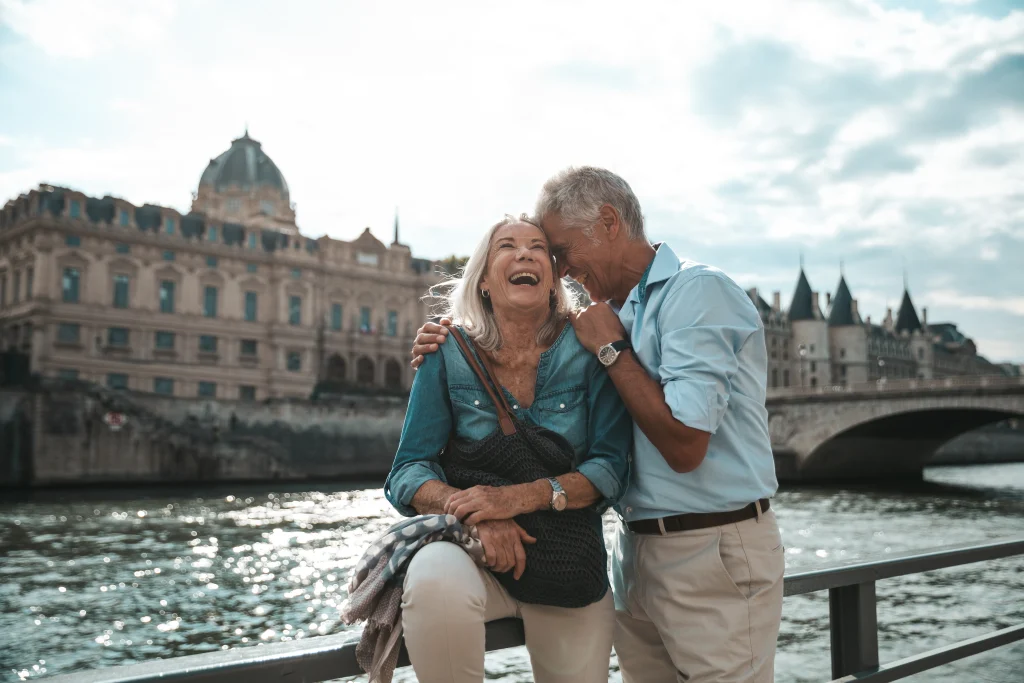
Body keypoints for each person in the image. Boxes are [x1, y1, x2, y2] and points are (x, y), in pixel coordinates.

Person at [412, 167, 784, 683]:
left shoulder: (697, 293)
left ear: (609, 222)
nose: (560, 270)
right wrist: (446, 340)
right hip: (635, 551)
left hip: (712, 548)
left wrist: (611, 350)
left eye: (559, 250)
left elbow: (685, 446)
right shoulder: (612, 312)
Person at [385, 214, 632, 683]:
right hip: (478, 556)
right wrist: (480, 515)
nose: (524, 254)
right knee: (433, 574)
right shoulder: (447, 349)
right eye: (507, 246)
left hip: (570, 564)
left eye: (538, 247)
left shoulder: (590, 349)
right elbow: (406, 472)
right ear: (482, 281)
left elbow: (611, 470)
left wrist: (514, 499)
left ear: (554, 277)